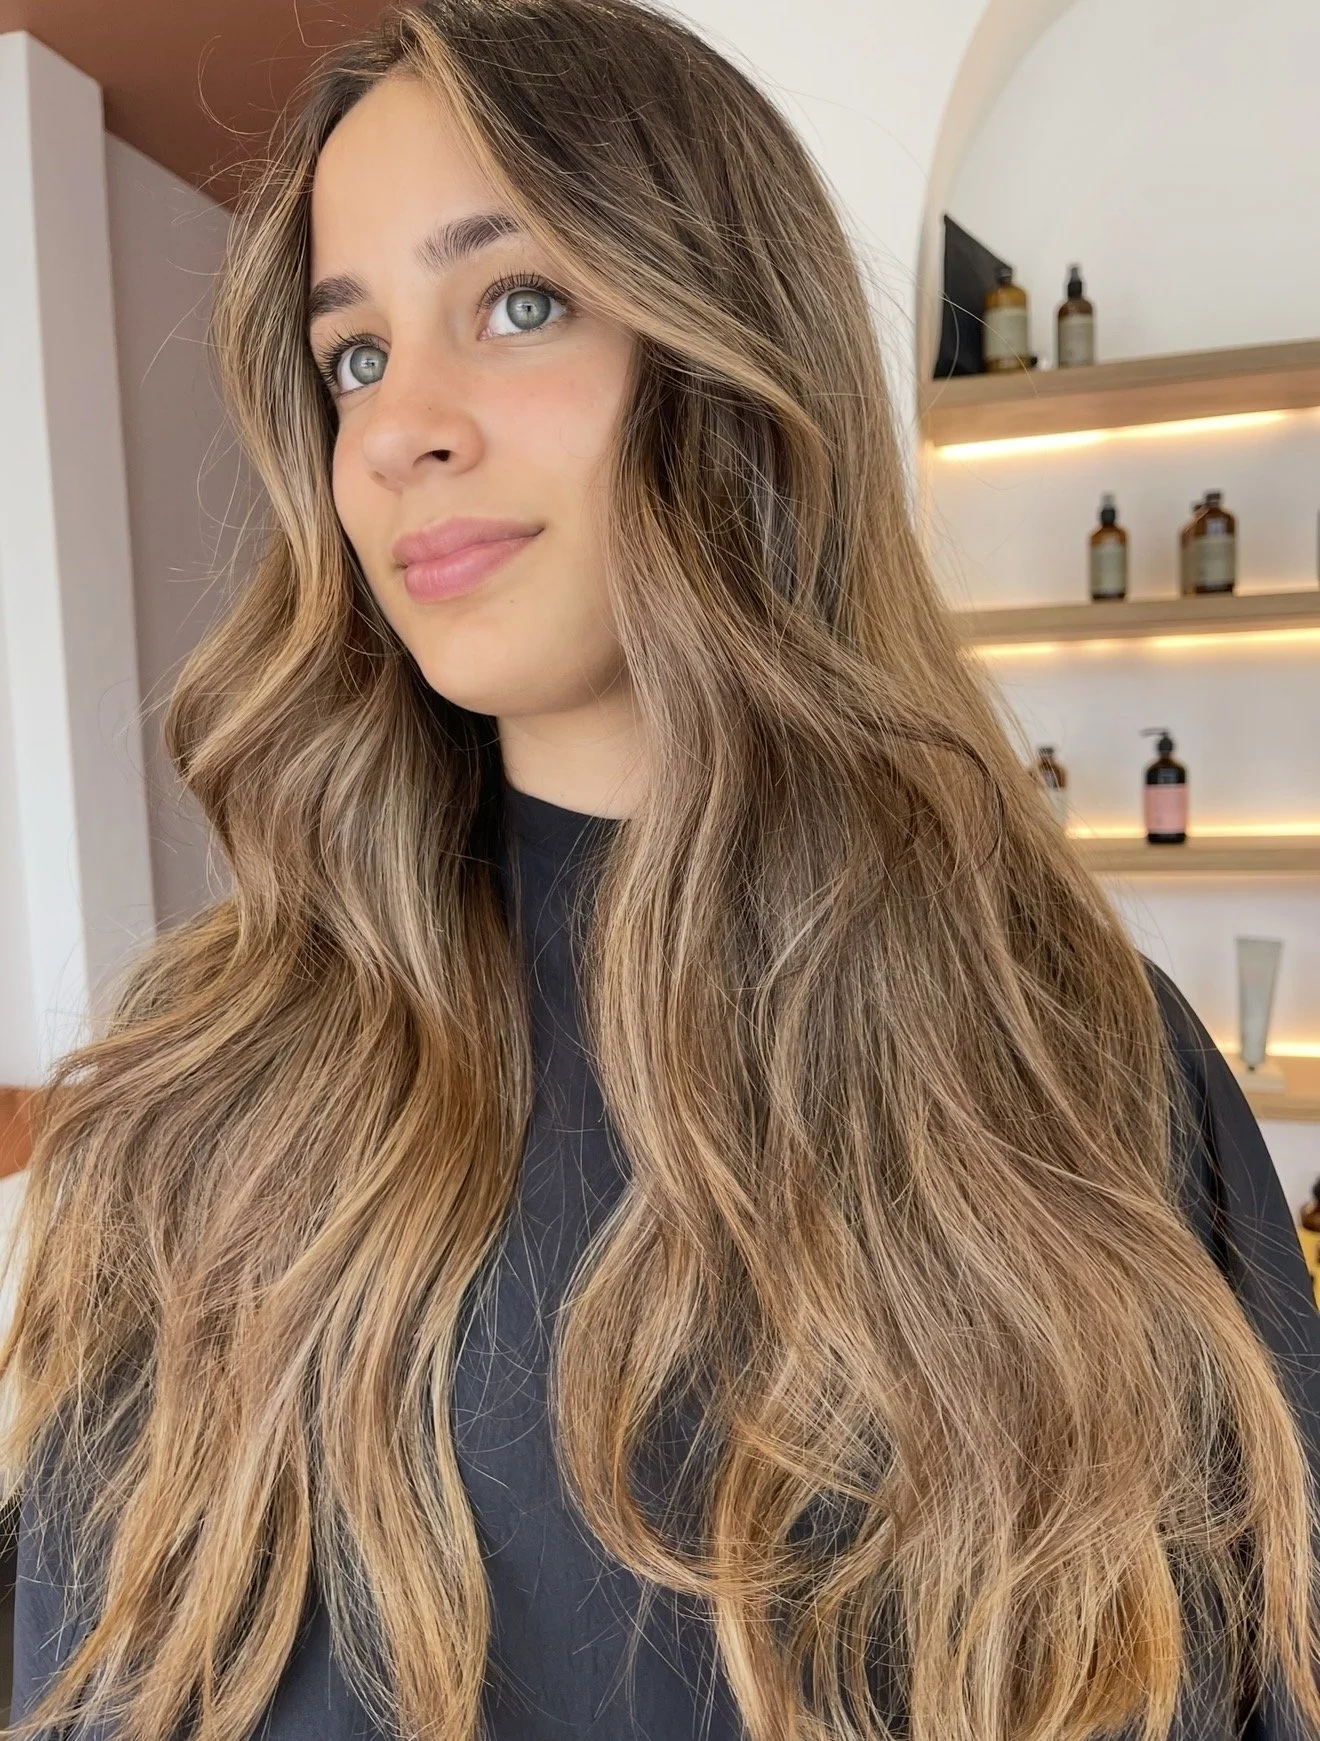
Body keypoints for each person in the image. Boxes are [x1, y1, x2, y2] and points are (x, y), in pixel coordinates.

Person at [4, 2, 1319, 1738]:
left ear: (724, 348)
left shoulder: (1072, 1054)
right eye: (356, 355)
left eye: (520, 302)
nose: (402, 428)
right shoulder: (221, 1076)